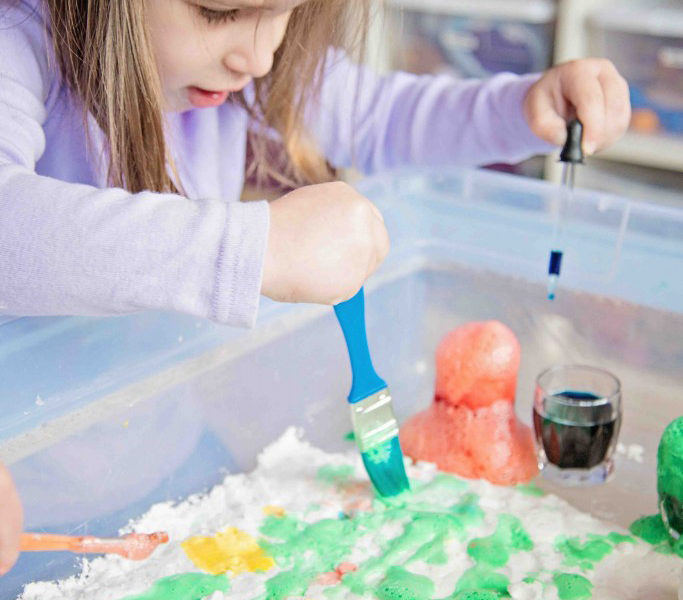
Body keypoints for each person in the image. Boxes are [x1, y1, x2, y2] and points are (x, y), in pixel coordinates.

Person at [0, 0, 631, 576]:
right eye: (219, 11)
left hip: (176, 457)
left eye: (286, 12)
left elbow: (381, 116)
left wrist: (520, 108)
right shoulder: (19, 42)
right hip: (34, 508)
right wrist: (252, 247)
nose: (261, 55)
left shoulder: (241, 68)